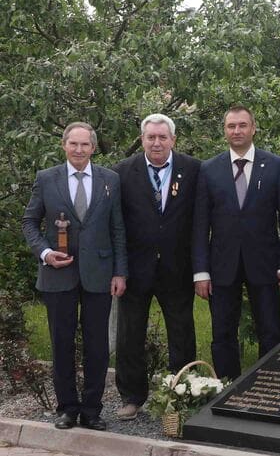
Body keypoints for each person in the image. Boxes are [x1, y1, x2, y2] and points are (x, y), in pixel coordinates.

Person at [21, 122, 127, 431]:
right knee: (62, 344)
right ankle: (67, 408)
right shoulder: (47, 179)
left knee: (97, 346)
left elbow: (118, 228)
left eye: (85, 145)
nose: (79, 150)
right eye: (73, 144)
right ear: (64, 146)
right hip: (58, 275)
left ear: (93, 147)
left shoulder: (111, 180)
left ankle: (92, 410)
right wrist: (44, 252)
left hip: (99, 274)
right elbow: (30, 221)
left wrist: (120, 271)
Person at [192, 105, 280, 380]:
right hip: (222, 265)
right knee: (222, 332)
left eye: (242, 125)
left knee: (270, 330)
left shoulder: (275, 166)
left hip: (265, 263)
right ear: (225, 131)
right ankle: (227, 389)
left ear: (253, 128)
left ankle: (269, 387)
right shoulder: (209, 169)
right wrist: (201, 271)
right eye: (231, 126)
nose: (236, 131)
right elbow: (201, 225)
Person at [112, 113, 201, 420]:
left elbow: (200, 223)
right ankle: (131, 397)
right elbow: (117, 225)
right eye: (151, 137)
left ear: (173, 140)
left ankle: (181, 394)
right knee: (129, 336)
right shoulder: (123, 172)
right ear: (142, 139)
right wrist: (119, 269)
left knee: (182, 333)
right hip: (135, 271)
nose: (157, 142)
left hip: (178, 268)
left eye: (163, 137)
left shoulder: (193, 170)